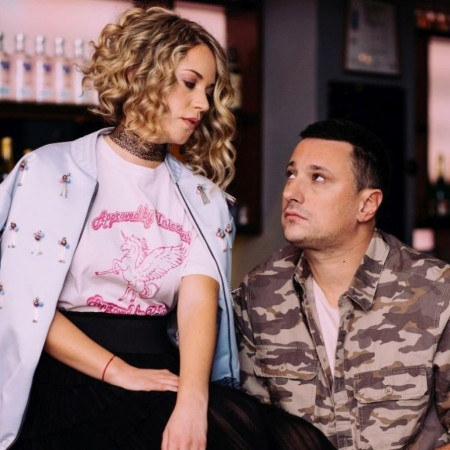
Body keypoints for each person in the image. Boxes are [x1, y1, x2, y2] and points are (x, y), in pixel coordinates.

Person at [0, 6, 335, 450]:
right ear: (139, 75)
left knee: (298, 442)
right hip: (70, 376)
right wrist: (119, 371)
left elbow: (198, 303)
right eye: (190, 83)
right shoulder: (47, 170)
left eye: (209, 91)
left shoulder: (202, 197)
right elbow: (24, 302)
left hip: (163, 370)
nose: (203, 104)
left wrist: (192, 401)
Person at [233, 118, 450, 450]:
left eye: (317, 177)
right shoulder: (258, 293)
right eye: (291, 175)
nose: (291, 193)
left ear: (366, 204)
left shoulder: (436, 292)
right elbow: (253, 432)